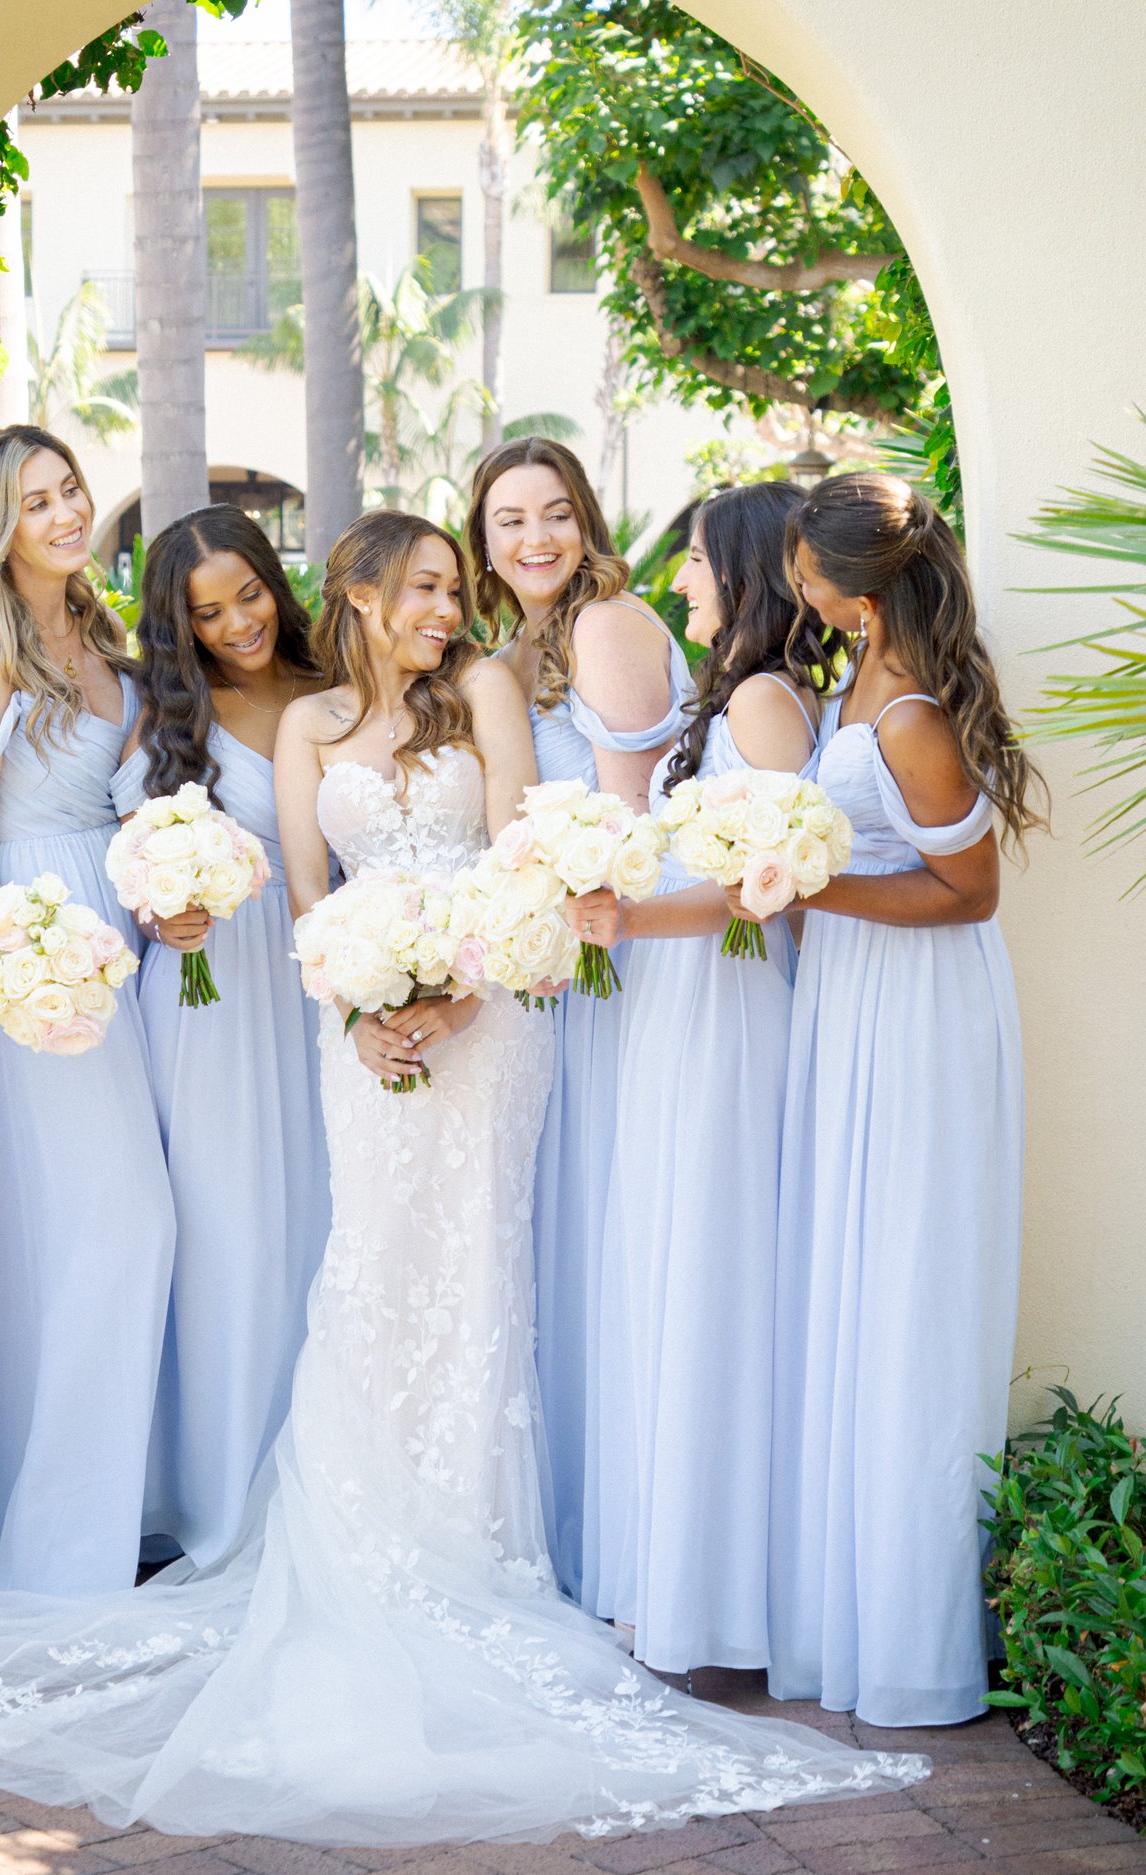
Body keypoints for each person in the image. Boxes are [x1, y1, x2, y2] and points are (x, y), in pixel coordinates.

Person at [0, 511, 928, 1844]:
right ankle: (360, 1545)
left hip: (492, 1020)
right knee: (368, 1266)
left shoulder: (484, 683)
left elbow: (506, 852)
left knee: (476, 1261)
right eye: (422, 586)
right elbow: (313, 892)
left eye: (450, 585)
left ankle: (480, 1547)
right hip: (354, 1028)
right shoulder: (309, 724)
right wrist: (365, 998)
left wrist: (460, 990)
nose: (445, 605)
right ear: (360, 595)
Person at [763, 471, 1042, 1727]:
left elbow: (969, 893)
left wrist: (805, 892)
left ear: (853, 596)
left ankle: (913, 1647)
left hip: (920, 1013)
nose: (795, 588)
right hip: (857, 999)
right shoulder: (855, 689)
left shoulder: (912, 715)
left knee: (908, 1292)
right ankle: (845, 1615)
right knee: (857, 1286)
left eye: (805, 572)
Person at [566, 481, 818, 1674]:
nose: (678, 581)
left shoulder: (766, 703)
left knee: (711, 1272)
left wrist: (626, 921)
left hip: (724, 1006)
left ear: (749, 572)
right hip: (683, 1010)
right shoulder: (722, 705)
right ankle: (669, 1576)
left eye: (699, 562)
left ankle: (714, 1598)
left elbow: (765, 888)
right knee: (666, 1267)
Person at [0, 424, 175, 1595]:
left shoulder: (104, 636)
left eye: (71, 490)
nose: (68, 513)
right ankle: (62, 1545)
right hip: (49, 951)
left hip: (128, 932)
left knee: (109, 1232)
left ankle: (114, 1508)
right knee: (121, 1224)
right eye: (37, 502)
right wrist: (33, 959)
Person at [465, 436, 693, 1604]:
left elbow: (626, 823)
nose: (535, 539)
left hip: (630, 964)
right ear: (482, 539)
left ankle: (638, 1545)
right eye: (509, 521)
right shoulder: (510, 652)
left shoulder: (605, 624)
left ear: (587, 519)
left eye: (554, 514)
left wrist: (556, 912)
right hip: (572, 970)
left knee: (623, 1226)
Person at [114, 505, 331, 1570]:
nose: (237, 622)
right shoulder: (166, 718)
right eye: (208, 611)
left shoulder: (334, 684)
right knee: (224, 1237)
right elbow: (134, 866)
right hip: (207, 1000)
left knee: (321, 1226)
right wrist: (165, 912)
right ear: (179, 625)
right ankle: (210, 1494)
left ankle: (322, 1480)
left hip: (325, 987)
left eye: (248, 593)